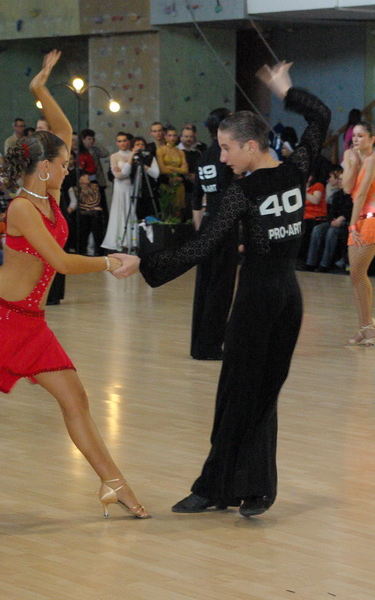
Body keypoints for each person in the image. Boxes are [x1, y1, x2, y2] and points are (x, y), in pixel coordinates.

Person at [0, 50, 147, 527]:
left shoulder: (47, 191)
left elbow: (62, 130)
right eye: (63, 163)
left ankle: (114, 483)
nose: (69, 167)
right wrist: (112, 261)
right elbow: (62, 263)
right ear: (44, 167)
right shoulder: (23, 208)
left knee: (76, 399)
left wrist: (40, 89)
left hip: (31, 322)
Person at [114, 62, 330, 517]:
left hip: (257, 300)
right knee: (260, 395)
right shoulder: (296, 169)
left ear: (251, 146)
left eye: (228, 148)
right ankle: (252, 489)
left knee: (239, 394)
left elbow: (202, 246)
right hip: (288, 299)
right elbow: (321, 117)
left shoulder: (243, 192)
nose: (223, 157)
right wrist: (287, 90)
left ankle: (222, 488)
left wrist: (143, 262)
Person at [189, 107, 236, 361]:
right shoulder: (227, 155)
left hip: (207, 224)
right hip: (224, 226)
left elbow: (196, 199)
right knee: (221, 287)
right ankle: (210, 346)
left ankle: (199, 345)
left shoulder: (204, 156)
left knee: (204, 286)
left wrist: (201, 234)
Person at [342, 119, 375, 346]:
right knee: (356, 277)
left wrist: (352, 225)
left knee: (358, 274)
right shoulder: (352, 157)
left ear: (372, 139)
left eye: (361, 135)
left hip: (371, 220)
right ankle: (365, 326)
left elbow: (361, 195)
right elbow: (346, 188)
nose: (356, 139)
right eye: (354, 135)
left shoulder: (373, 160)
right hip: (358, 220)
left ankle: (369, 328)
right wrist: (351, 163)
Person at [102, 132, 134, 252]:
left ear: (128, 142)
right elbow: (118, 176)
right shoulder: (114, 156)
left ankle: (131, 240)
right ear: (117, 143)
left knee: (131, 211)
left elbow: (128, 173)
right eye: (119, 141)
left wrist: (122, 171)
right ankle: (119, 240)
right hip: (119, 188)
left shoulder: (133, 155)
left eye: (124, 140)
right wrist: (123, 171)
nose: (122, 143)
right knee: (119, 212)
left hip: (131, 187)